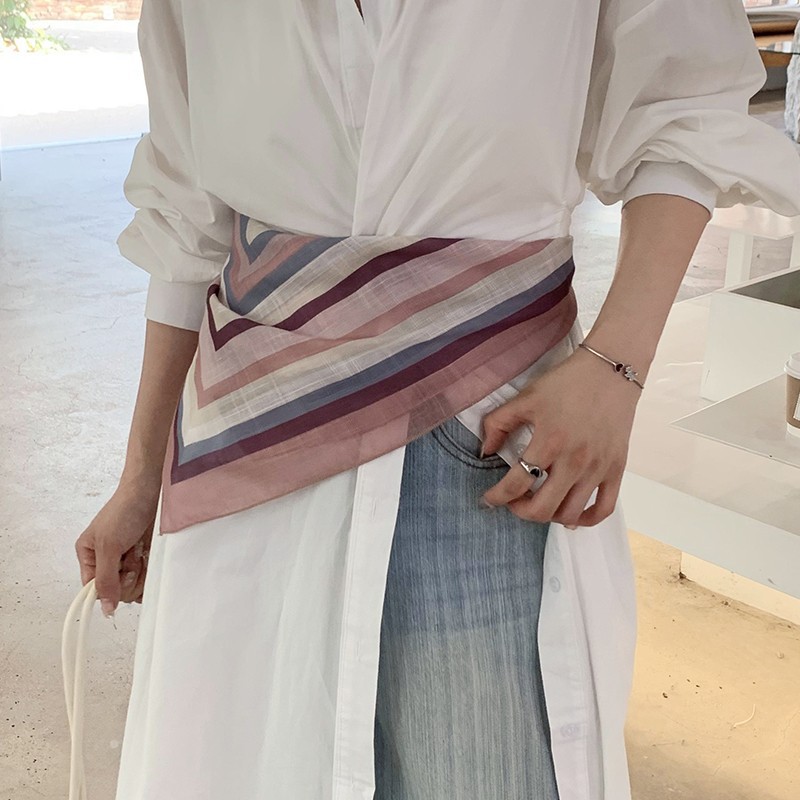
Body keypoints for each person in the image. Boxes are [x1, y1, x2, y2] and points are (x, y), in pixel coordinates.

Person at [74, 1, 800, 799]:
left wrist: (616, 367)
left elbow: (680, 107)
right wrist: (140, 475)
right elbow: (187, 222)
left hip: (490, 419)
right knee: (246, 764)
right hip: (247, 433)